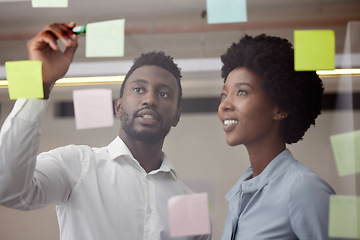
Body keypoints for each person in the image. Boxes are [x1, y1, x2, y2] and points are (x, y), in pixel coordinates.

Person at [0, 22, 211, 240]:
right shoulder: (75, 164)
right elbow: (8, 190)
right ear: (118, 106)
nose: (149, 99)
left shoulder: (191, 205)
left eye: (164, 94)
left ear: (177, 115)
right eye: (138, 89)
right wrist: (39, 83)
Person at [218, 34, 339, 239]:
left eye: (241, 92)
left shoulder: (303, 189)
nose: (225, 105)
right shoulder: (240, 193)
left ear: (280, 108)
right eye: (224, 94)